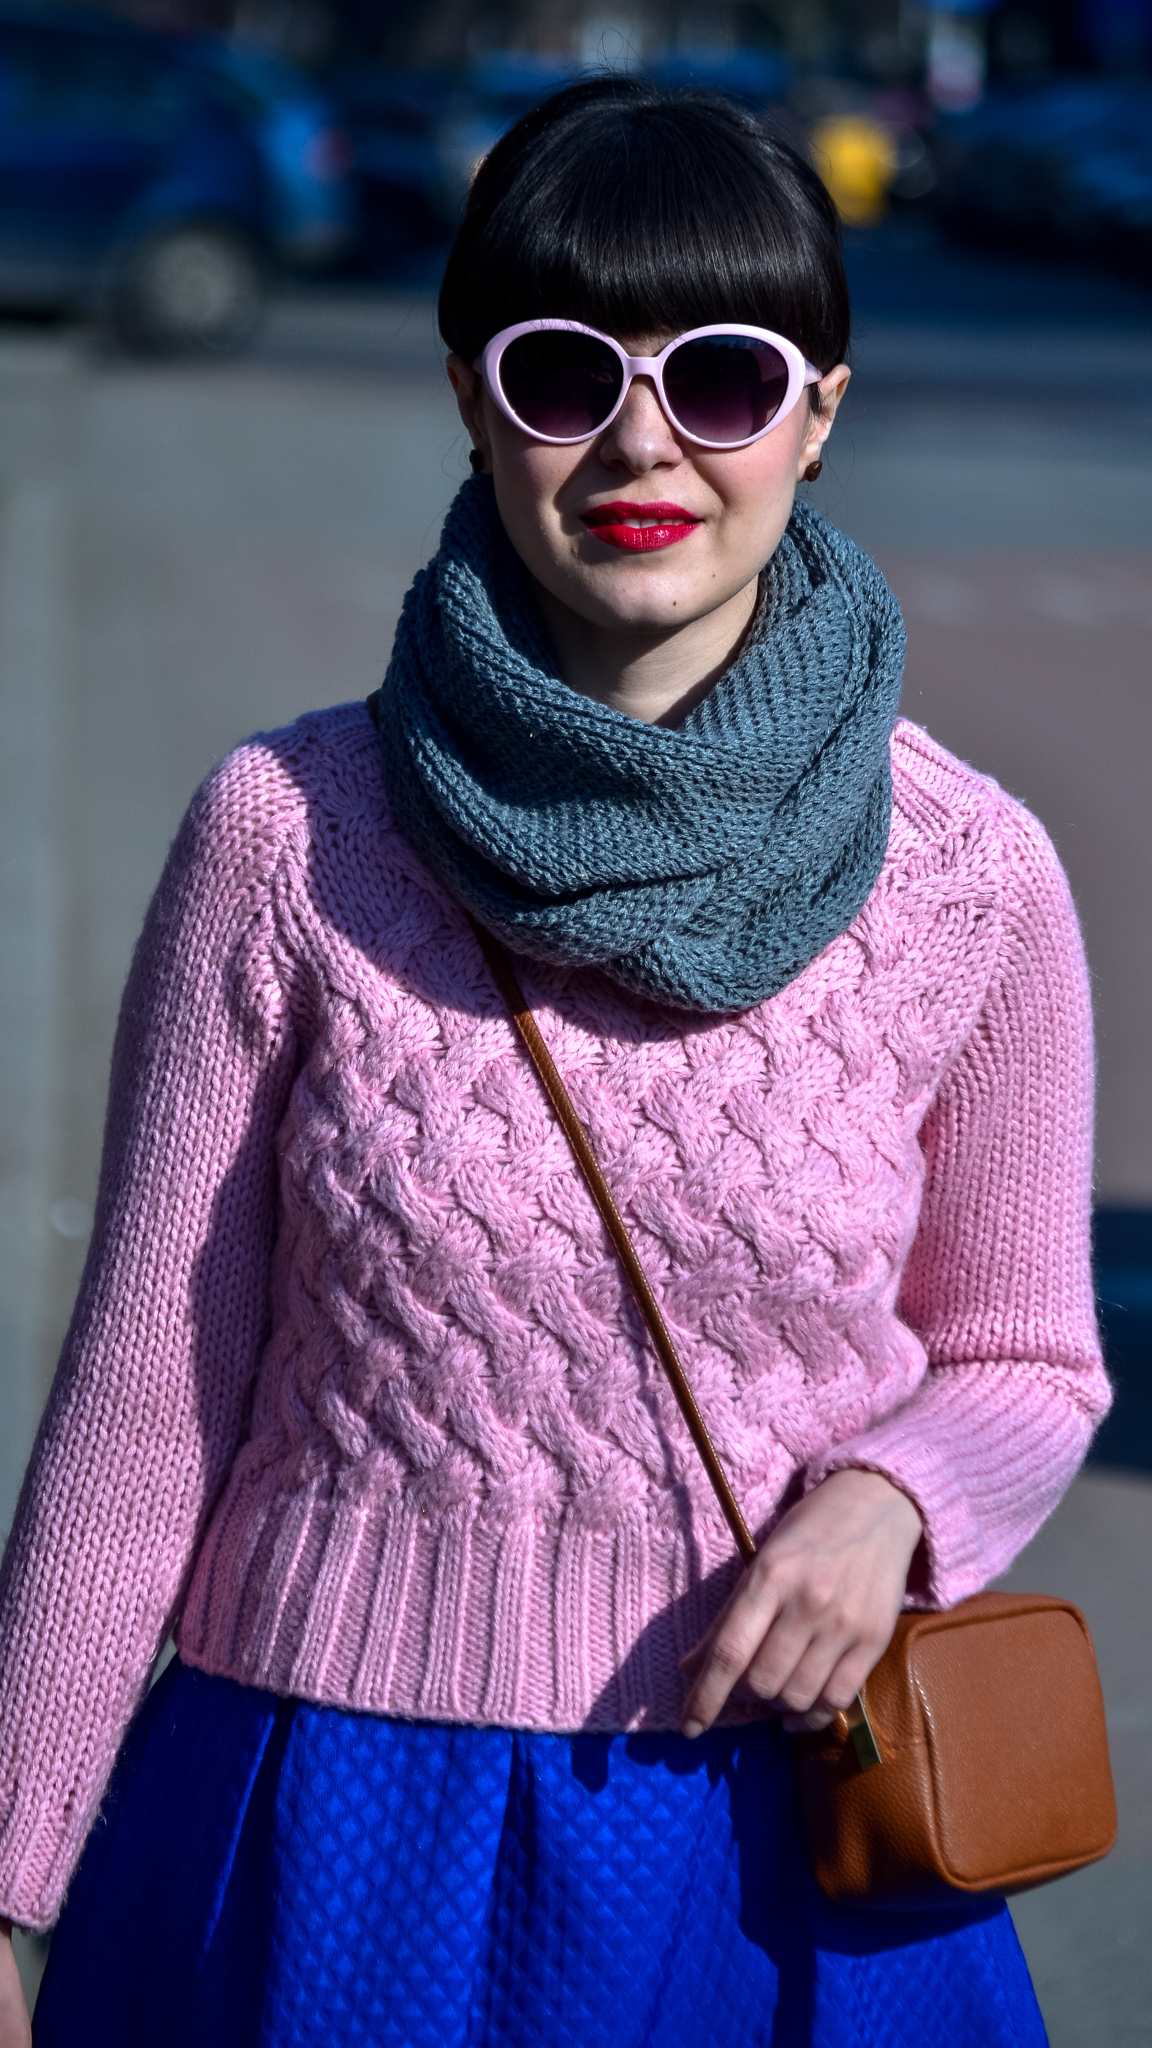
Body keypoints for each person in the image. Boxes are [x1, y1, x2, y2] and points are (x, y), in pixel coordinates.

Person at [0, 76, 1109, 2047]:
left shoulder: (980, 881)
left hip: (786, 1840)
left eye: (727, 376)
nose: (641, 442)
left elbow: (1029, 1353)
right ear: (471, 393)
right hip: (323, 1815)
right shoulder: (285, 832)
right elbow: (145, 1400)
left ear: (822, 413)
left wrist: (892, 1502)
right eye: (564, 368)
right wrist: (5, 1881)